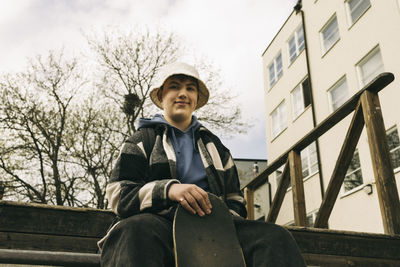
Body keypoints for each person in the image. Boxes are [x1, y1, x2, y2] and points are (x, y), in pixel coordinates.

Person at [99, 62, 306, 267]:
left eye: (190, 88)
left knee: (275, 237)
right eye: (174, 86)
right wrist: (169, 190)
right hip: (159, 226)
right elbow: (119, 194)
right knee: (135, 230)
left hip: (215, 230)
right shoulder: (141, 140)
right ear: (161, 96)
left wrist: (218, 219)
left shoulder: (217, 148)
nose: (183, 93)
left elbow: (235, 199)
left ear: (196, 100)